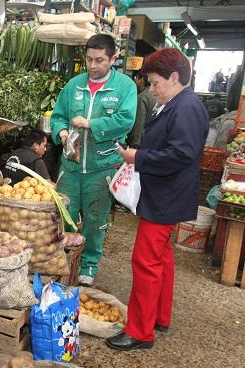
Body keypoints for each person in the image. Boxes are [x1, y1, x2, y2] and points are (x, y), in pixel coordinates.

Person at [106, 48, 208, 351]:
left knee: (146, 261)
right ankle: (159, 316)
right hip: (167, 192)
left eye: (155, 83)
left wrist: (138, 157)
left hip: (166, 195)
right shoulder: (178, 103)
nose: (152, 89)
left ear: (174, 77)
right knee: (161, 257)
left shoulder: (185, 107)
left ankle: (140, 331)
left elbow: (182, 153)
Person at [50, 34, 137, 287]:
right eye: (89, 59)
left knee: (95, 220)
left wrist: (91, 124)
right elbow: (57, 117)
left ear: (113, 58)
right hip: (71, 167)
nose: (93, 66)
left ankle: (88, 264)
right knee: (62, 217)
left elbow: (125, 120)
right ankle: (59, 261)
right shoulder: (74, 85)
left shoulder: (124, 87)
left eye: (99, 60)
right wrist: (63, 133)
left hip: (102, 167)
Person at [127, 70, 157, 148]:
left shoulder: (142, 97)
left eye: (136, 78)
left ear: (142, 80)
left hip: (142, 142)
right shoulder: (157, 93)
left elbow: (139, 123)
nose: (135, 81)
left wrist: (134, 144)